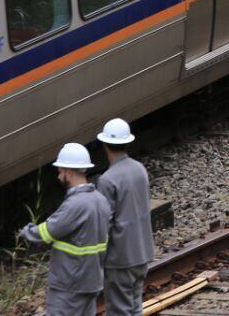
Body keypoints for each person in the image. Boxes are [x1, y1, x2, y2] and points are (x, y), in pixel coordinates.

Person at [20, 143, 112, 316]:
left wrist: (27, 231)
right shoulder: (100, 200)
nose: (59, 176)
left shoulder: (75, 204)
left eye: (60, 172)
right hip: (92, 280)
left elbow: (48, 231)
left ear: (69, 173)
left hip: (70, 283)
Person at [95, 118, 154, 316]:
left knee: (119, 310)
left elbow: (104, 224)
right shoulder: (140, 169)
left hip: (120, 258)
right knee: (135, 307)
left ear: (105, 145)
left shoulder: (107, 180)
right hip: (143, 252)